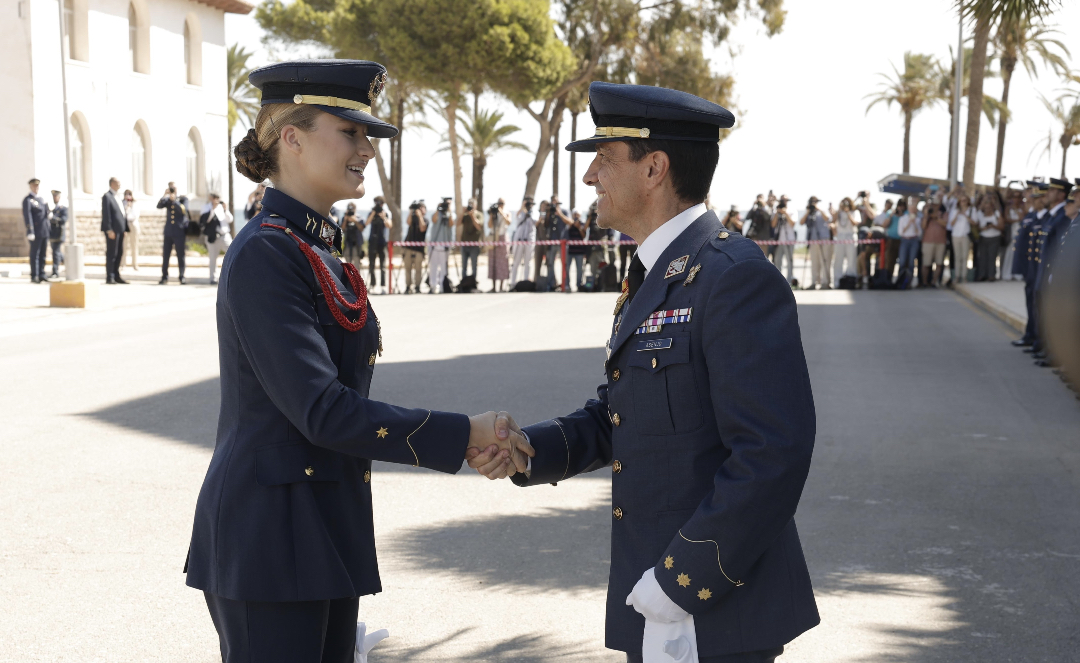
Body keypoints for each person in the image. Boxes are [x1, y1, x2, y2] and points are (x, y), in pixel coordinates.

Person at [186, 59, 533, 663]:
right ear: (290, 137)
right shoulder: (268, 253)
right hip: (270, 536)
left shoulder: (310, 245)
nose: (367, 148)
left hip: (321, 520)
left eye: (367, 133)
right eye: (349, 131)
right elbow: (321, 410)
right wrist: (462, 434)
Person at [469, 81, 817, 663]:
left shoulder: (732, 276)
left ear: (654, 168)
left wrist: (682, 580)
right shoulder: (656, 270)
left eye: (604, 159)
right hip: (656, 593)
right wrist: (532, 448)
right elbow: (624, 411)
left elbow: (772, 452)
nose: (589, 178)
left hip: (712, 605)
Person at [157, 185, 189, 285]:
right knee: (166, 255)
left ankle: (181, 276)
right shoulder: (167, 200)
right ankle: (164, 276)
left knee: (180, 255)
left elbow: (183, 210)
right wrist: (164, 195)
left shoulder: (183, 199)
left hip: (179, 231)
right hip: (168, 232)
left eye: (173, 189)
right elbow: (159, 206)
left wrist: (174, 200)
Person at [101, 177, 129, 284]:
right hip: (113, 230)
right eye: (118, 183)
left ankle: (116, 275)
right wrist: (109, 230)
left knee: (119, 253)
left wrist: (124, 229)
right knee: (112, 253)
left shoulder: (118, 196)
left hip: (120, 230)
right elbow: (106, 214)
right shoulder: (107, 197)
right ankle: (110, 276)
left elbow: (122, 214)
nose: (119, 185)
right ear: (112, 184)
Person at [22, 178, 51, 283]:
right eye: (34, 186)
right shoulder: (28, 200)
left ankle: (42, 273)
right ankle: (34, 275)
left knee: (43, 254)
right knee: (35, 254)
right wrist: (30, 230)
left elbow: (46, 213)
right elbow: (27, 215)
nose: (36, 188)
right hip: (35, 231)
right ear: (31, 186)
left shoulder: (41, 199)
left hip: (44, 231)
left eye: (37, 186)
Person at [800, 196, 832, 289]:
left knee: (825, 261)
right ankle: (814, 282)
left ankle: (825, 282)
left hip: (824, 238)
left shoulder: (822, 211)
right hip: (812, 240)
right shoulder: (809, 213)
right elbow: (801, 222)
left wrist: (819, 209)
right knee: (814, 262)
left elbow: (828, 219)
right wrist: (807, 212)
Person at [541, 195, 569, 291]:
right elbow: (545, 225)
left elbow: (570, 222)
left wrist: (559, 213)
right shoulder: (550, 213)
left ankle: (565, 284)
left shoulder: (564, 211)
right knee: (550, 264)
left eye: (556, 202)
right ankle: (552, 284)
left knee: (564, 264)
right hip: (552, 242)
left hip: (563, 242)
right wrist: (548, 213)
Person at [204, 193, 233, 285]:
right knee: (213, 258)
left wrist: (225, 209)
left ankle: (232, 276)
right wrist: (213, 209)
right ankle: (213, 278)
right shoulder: (206, 207)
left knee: (233, 254)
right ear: (210, 198)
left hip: (224, 235)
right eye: (214, 198)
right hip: (212, 236)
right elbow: (205, 220)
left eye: (218, 198)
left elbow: (230, 219)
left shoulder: (222, 208)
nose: (216, 200)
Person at [973, 194, 1003, 281]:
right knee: (982, 257)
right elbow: (977, 227)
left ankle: (991, 275)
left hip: (994, 238)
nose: (987, 209)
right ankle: (982, 275)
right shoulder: (980, 214)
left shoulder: (996, 214)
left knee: (992, 257)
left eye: (989, 207)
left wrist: (993, 226)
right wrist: (984, 228)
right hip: (983, 238)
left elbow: (1001, 226)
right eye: (986, 207)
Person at [366, 195, 391, 293]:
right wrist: (373, 213)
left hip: (382, 241)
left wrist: (384, 218)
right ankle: (372, 284)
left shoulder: (385, 214)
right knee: (371, 264)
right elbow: (366, 223)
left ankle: (383, 286)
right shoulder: (371, 213)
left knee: (382, 265)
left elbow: (389, 225)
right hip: (372, 241)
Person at [428, 197, 454, 293]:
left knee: (443, 268)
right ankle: (433, 286)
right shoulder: (437, 214)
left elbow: (451, 223)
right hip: (434, 244)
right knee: (433, 266)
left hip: (445, 244)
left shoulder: (450, 214)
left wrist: (449, 210)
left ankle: (443, 286)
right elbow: (434, 220)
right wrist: (438, 209)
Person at [831, 197, 858, 287]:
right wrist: (839, 210)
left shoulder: (854, 212)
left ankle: (851, 280)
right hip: (840, 237)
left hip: (851, 236)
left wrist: (848, 213)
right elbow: (833, 220)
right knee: (838, 260)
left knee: (851, 260)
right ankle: (837, 282)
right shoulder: (839, 213)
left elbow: (855, 223)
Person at [920, 202, 948, 287]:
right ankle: (924, 282)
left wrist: (936, 218)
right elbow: (923, 226)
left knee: (939, 263)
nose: (933, 207)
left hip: (941, 242)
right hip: (928, 241)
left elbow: (945, 224)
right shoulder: (927, 215)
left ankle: (934, 282)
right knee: (926, 263)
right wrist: (926, 215)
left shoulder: (944, 213)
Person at [510, 197, 536, 288]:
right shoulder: (521, 212)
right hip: (519, 240)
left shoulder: (534, 213)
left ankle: (526, 283)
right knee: (516, 262)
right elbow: (516, 217)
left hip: (529, 241)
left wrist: (530, 213)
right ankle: (512, 283)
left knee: (527, 262)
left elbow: (535, 223)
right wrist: (522, 208)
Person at [948, 193, 973, 285]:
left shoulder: (971, 210)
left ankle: (964, 276)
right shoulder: (955, 210)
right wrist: (958, 214)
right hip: (956, 235)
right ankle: (957, 276)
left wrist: (966, 215)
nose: (963, 202)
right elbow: (951, 223)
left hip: (965, 235)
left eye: (965, 200)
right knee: (957, 257)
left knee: (964, 257)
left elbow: (974, 222)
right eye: (961, 201)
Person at [402, 200, 427, 293]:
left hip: (419, 249)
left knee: (418, 269)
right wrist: (411, 212)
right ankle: (408, 286)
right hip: (408, 247)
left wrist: (420, 216)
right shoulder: (412, 218)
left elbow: (422, 228)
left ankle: (417, 287)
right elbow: (408, 222)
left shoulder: (425, 219)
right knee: (407, 268)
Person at [771, 201, 796, 284]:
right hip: (778, 241)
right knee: (777, 261)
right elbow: (773, 225)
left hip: (789, 239)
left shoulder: (792, 210)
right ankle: (779, 281)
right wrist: (777, 214)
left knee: (789, 261)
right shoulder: (776, 213)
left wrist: (785, 213)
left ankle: (789, 281)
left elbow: (792, 224)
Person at [487, 199, 511, 292]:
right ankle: (494, 286)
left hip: (502, 237)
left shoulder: (507, 212)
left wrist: (501, 212)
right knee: (493, 261)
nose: (500, 205)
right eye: (499, 204)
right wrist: (492, 215)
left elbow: (509, 222)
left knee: (503, 262)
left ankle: (501, 286)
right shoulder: (493, 213)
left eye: (502, 204)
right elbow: (489, 225)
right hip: (493, 237)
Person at [567, 209, 589, 291]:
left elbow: (583, 236)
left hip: (579, 251)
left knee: (579, 269)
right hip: (570, 251)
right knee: (567, 268)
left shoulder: (582, 224)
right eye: (575, 215)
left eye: (577, 215)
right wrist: (572, 224)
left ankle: (578, 285)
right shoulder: (570, 224)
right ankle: (567, 285)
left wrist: (579, 227)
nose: (576, 216)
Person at [47, 190, 67, 279]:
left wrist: (54, 218)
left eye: (56, 196)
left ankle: (55, 271)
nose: (55, 198)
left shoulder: (63, 208)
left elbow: (63, 220)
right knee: (57, 252)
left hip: (59, 233)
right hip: (52, 234)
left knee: (55, 253)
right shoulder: (53, 209)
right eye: (54, 196)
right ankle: (67, 262)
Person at [121, 189, 141, 272]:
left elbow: (135, 215)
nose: (128, 196)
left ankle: (135, 264)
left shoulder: (135, 204)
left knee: (134, 245)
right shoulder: (122, 203)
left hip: (133, 224)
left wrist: (130, 207)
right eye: (126, 194)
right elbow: (122, 214)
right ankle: (123, 264)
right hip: (125, 224)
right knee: (124, 245)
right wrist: (127, 208)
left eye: (129, 194)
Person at [341, 203, 364, 268]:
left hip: (357, 243)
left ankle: (357, 277)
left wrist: (355, 221)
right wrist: (345, 220)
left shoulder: (359, 217)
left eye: (352, 208)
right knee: (347, 261)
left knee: (356, 262)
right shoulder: (345, 217)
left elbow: (361, 228)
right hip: (348, 243)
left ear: (355, 209)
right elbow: (342, 229)